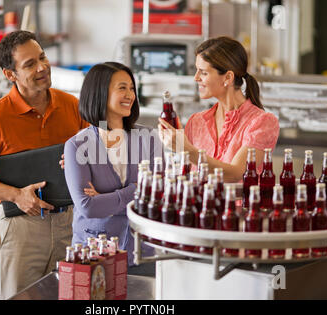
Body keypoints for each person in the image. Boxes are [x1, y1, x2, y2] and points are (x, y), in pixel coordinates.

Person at [0, 31, 89, 299]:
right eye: (29, 64)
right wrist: (16, 195)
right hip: (21, 228)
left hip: (69, 222)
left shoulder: (71, 105)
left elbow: (93, 151)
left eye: (42, 57)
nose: (42, 67)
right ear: (10, 74)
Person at [64, 62, 158, 271]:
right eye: (122, 88)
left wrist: (107, 200)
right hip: (94, 255)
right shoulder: (77, 146)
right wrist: (135, 190)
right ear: (100, 93)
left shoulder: (149, 138)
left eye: (132, 88)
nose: (130, 95)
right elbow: (88, 207)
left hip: (141, 253)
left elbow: (155, 197)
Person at [158, 36, 279, 181]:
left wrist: (187, 149)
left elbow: (235, 174)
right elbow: (188, 176)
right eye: (197, 71)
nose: (196, 78)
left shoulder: (262, 122)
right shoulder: (196, 121)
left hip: (241, 204)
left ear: (228, 77)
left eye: (203, 72)